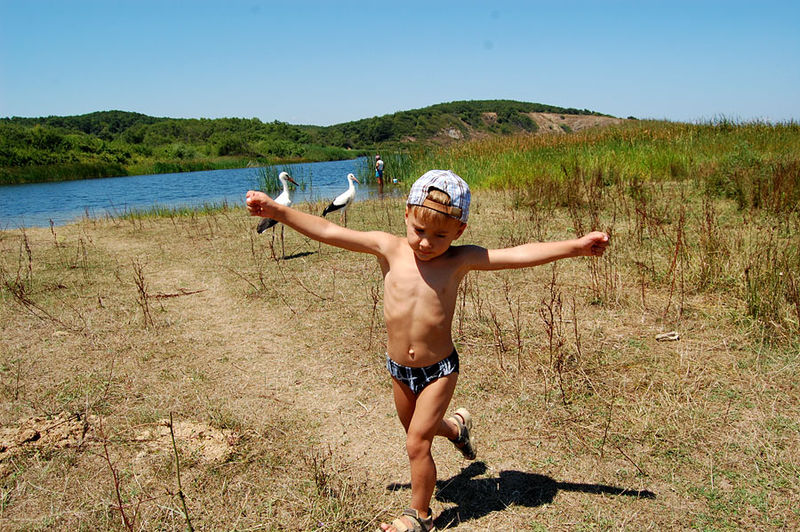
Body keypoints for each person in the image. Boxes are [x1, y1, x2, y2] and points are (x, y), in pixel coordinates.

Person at [245, 170, 609, 532]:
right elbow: (328, 231)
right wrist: (278, 212)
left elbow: (519, 254)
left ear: (459, 232)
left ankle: (419, 516)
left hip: (439, 370)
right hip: (398, 370)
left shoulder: (459, 260)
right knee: (420, 432)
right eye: (419, 230)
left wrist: (575, 246)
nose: (426, 243)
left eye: (440, 236)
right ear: (407, 214)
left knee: (417, 442)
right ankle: (456, 429)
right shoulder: (388, 247)